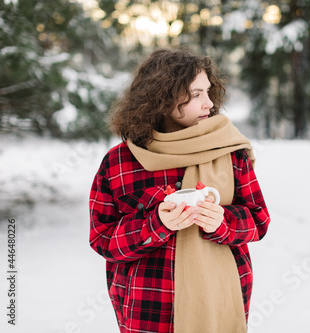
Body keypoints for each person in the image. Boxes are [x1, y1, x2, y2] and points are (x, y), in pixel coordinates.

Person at [89, 48, 270, 333]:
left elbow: (258, 220)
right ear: (161, 97)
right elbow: (102, 239)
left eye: (208, 92)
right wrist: (155, 224)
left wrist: (223, 222)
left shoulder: (230, 152)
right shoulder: (120, 162)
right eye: (196, 94)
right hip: (149, 311)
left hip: (219, 305)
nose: (208, 103)